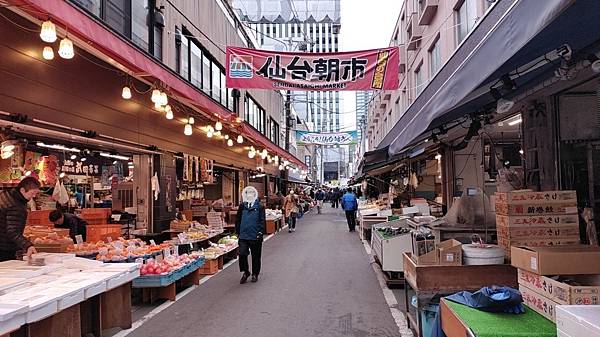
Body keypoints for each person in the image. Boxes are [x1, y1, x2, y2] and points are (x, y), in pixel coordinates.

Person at [0, 177, 41, 261]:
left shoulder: (5, 194)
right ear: (22, 190)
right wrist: (27, 245)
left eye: (36, 194)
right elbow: (12, 231)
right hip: (4, 247)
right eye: (32, 193)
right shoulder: (16, 205)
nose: (33, 196)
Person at [235, 186, 266, 284]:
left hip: (255, 235)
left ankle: (255, 274)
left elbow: (262, 221)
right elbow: (238, 220)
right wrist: (238, 232)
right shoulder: (242, 206)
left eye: (251, 194)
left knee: (256, 256)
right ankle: (246, 272)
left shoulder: (260, 207)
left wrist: (260, 233)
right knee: (242, 254)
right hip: (243, 236)